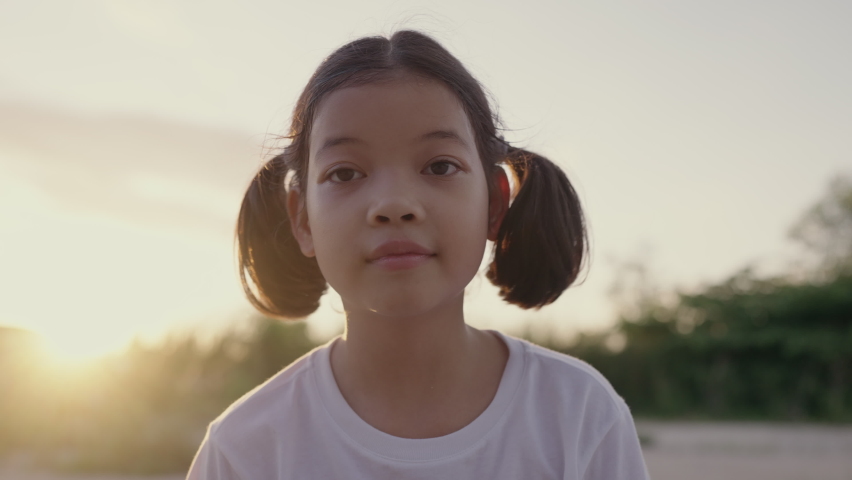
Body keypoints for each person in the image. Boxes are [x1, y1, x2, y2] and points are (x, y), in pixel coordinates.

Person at [187, 30, 649, 480]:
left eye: (440, 166)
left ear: (494, 203)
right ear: (302, 219)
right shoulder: (244, 450)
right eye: (345, 173)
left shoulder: (579, 415)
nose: (394, 204)